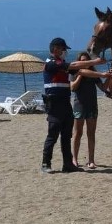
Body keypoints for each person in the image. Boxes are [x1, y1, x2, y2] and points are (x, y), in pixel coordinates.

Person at [41, 38, 105, 174]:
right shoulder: (51, 63)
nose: (65, 52)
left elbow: (81, 71)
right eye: (63, 49)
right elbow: (75, 65)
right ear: (55, 49)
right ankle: (46, 163)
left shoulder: (63, 65)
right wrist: (95, 61)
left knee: (66, 136)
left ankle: (68, 164)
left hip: (65, 103)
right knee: (53, 135)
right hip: (54, 104)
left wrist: (102, 74)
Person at [70, 51, 111, 170]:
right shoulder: (74, 72)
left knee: (91, 133)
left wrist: (109, 77)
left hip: (92, 105)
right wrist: (80, 74)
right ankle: (74, 159)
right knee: (78, 133)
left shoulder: (94, 74)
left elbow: (103, 88)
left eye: (86, 61)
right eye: (82, 61)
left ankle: (91, 160)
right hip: (79, 106)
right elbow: (73, 87)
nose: (84, 63)